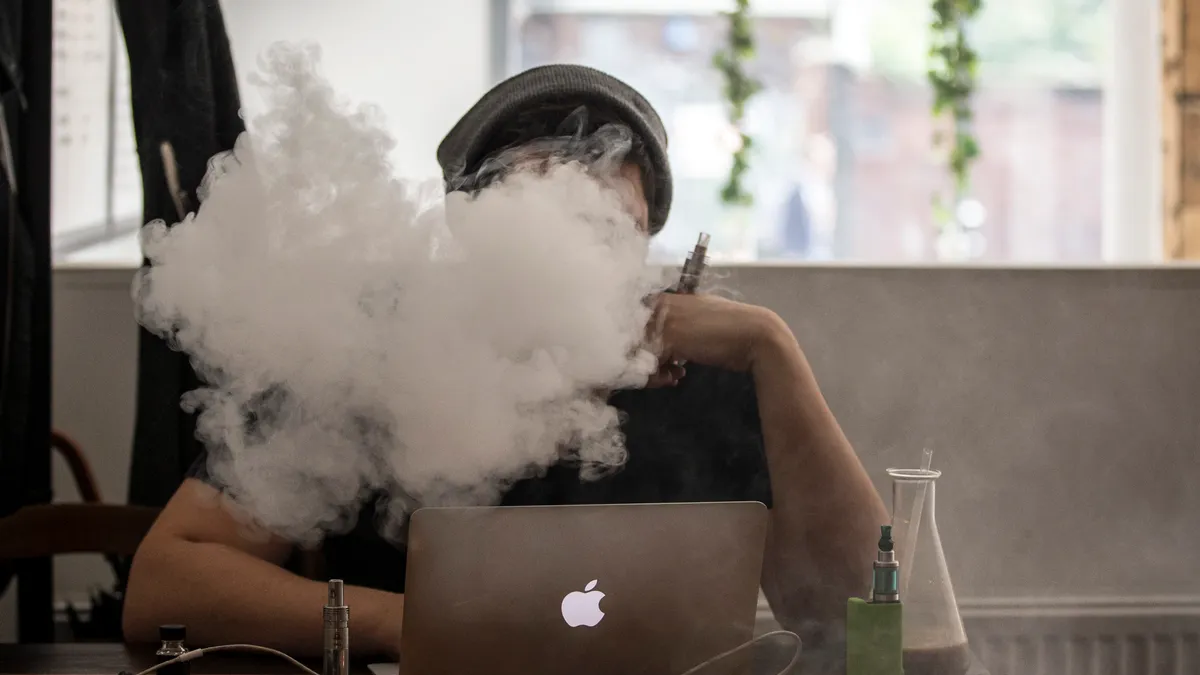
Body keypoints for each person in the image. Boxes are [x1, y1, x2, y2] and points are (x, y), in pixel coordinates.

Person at [122, 64, 887, 663]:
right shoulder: (364, 350)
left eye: (612, 231)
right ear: (470, 229)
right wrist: (401, 622)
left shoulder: (702, 367)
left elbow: (870, 629)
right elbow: (165, 582)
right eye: (553, 219)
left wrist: (773, 350)